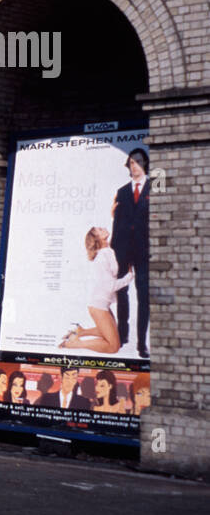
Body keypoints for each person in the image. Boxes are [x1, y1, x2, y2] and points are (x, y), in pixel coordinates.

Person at [60, 227, 134, 354]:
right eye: (100, 230)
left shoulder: (107, 251)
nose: (103, 228)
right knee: (113, 347)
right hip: (98, 305)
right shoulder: (103, 255)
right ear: (97, 238)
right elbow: (110, 286)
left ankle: (81, 331)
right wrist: (130, 276)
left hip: (99, 303)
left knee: (111, 331)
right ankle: (76, 343)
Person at [111, 148, 151, 358]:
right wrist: (114, 251)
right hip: (123, 249)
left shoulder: (156, 187)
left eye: (138, 162)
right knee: (122, 292)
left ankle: (141, 343)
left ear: (145, 163)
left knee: (143, 295)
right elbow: (117, 224)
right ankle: (122, 335)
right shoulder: (123, 191)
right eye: (131, 163)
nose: (135, 166)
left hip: (145, 250)